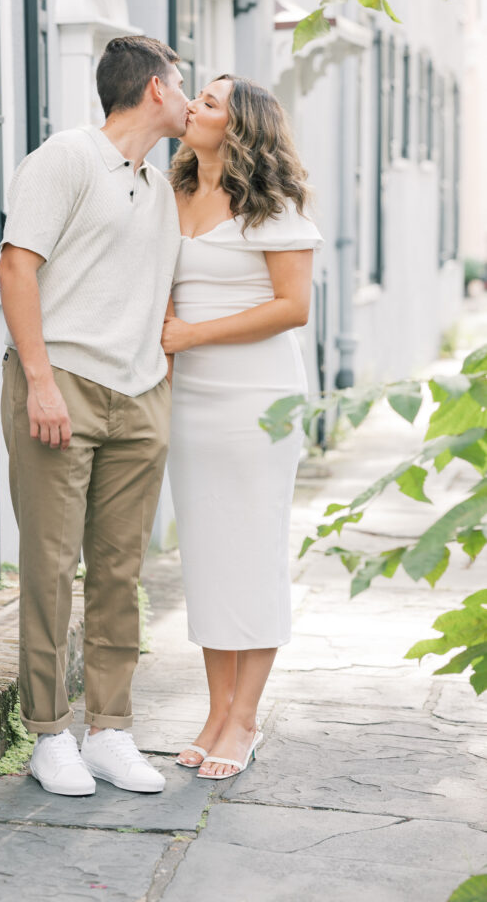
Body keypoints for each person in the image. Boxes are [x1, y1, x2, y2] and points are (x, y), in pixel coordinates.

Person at [0, 35, 188, 796]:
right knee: (50, 567)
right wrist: (40, 383)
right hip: (63, 385)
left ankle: (109, 730)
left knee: (120, 572)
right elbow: (17, 265)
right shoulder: (66, 158)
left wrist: (159, 375)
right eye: (182, 83)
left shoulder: (160, 184)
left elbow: (159, 282)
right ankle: (48, 734)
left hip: (139, 395)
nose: (187, 95)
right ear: (151, 89)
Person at [162, 75, 323, 780]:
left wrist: (191, 336)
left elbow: (292, 307)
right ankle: (213, 710)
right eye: (194, 94)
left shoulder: (272, 204)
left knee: (251, 553)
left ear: (239, 127)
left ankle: (245, 718)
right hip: (187, 398)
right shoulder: (169, 194)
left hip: (256, 399)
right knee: (205, 555)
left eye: (209, 101)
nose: (192, 105)